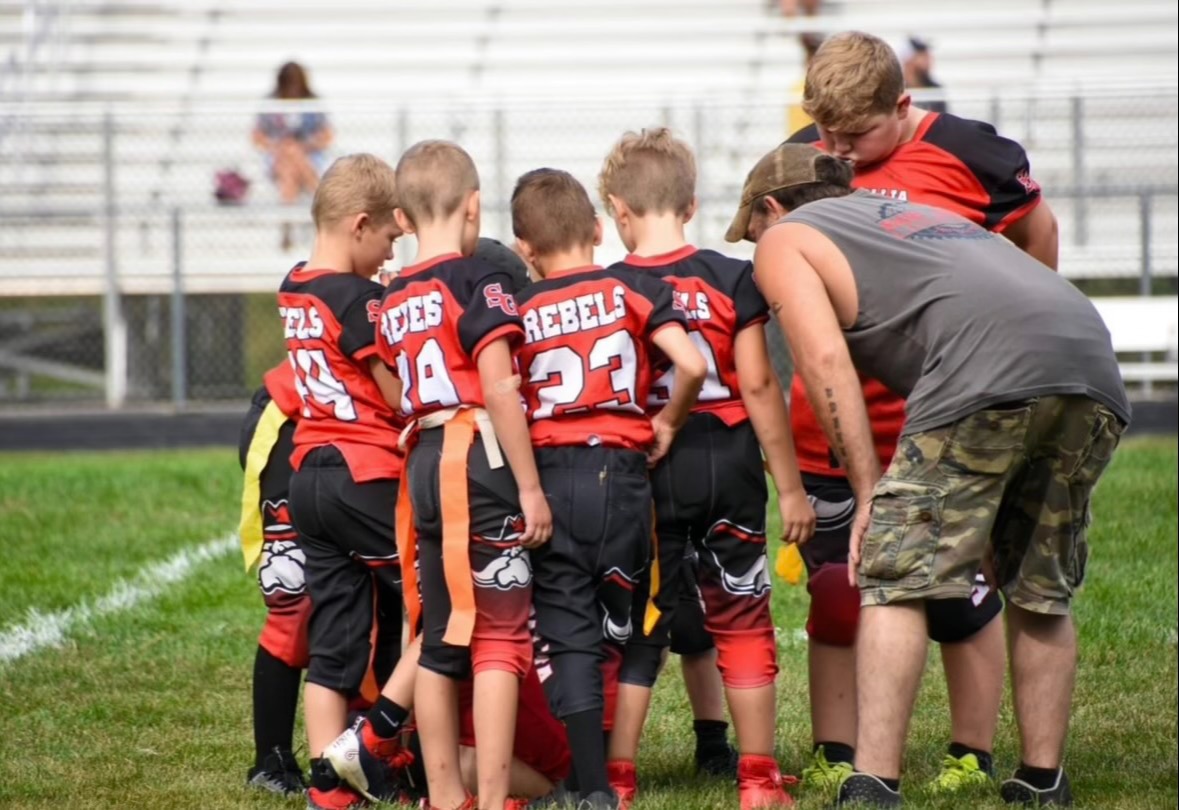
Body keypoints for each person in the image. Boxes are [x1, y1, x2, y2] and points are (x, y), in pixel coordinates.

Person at [739, 143, 1129, 807]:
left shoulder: (785, 239)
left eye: (751, 230)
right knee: (1035, 579)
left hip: (983, 374)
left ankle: (874, 782)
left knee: (892, 575)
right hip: (1089, 364)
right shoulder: (915, 215)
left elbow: (823, 361)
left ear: (771, 209)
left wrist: (867, 494)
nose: (755, 249)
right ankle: (1041, 780)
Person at [772, 29, 1059, 794]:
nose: (836, 149)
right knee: (838, 592)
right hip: (832, 421)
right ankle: (835, 751)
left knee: (962, 597)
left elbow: (1036, 236)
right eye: (824, 133)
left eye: (854, 135)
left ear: (903, 106)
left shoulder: (973, 152)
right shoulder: (806, 155)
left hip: (946, 418)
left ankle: (972, 752)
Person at [597, 128, 815, 810]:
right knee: (743, 617)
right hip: (727, 461)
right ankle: (756, 780)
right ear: (690, 205)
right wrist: (790, 487)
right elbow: (757, 387)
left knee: (639, 626)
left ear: (617, 210)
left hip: (648, 465)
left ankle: (619, 780)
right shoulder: (730, 276)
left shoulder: (610, 287)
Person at [510, 168, 706, 810]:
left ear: (525, 249)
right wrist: (669, 421)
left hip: (552, 473)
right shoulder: (632, 287)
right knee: (619, 626)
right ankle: (616, 765)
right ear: (597, 229)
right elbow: (693, 363)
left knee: (568, 633)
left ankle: (592, 785)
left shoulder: (521, 309)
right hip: (624, 480)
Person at [377, 139, 553, 810]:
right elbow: (498, 386)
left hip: (420, 457)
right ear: (474, 205)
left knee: (440, 632)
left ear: (400, 218)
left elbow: (400, 392)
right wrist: (529, 485)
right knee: (502, 636)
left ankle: (444, 793)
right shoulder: (476, 279)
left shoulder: (394, 295)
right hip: (474, 455)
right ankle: (492, 789)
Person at [277, 153, 407, 810]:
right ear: (360, 225)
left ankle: (326, 789)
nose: (389, 255)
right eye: (387, 238)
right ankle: (397, 745)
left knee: (333, 643)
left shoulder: (294, 283)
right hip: (366, 472)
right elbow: (393, 392)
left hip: (309, 476)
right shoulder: (358, 297)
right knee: (434, 606)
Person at [238, 360, 310, 797]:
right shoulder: (358, 294)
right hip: (296, 422)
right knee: (295, 602)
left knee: (371, 598)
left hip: (364, 433)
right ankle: (272, 758)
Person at [253, 61, 334, 205]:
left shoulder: (312, 102)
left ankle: (287, 219)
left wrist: (303, 146)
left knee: (289, 167)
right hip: (277, 156)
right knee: (289, 158)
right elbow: (257, 137)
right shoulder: (270, 103)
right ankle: (322, 202)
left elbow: (327, 135)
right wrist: (280, 146)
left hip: (309, 156)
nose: (292, 88)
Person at [898, 37, 947, 114]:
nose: (929, 60)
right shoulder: (896, 90)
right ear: (908, 60)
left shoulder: (935, 89)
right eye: (923, 55)